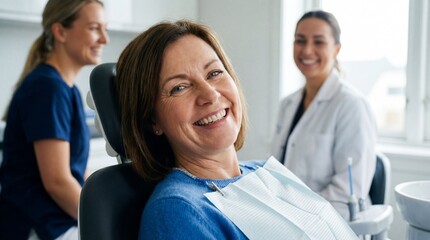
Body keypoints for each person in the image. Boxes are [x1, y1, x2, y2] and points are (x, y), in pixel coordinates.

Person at [115, 20, 359, 240]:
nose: (210, 94)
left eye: (214, 73)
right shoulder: (177, 211)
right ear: (152, 121)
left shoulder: (266, 172)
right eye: (179, 88)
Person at [0, 0, 109, 239]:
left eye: (105, 29)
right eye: (94, 28)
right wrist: (102, 224)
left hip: (55, 221)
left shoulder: (64, 88)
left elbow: (76, 170)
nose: (104, 39)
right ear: (60, 31)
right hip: (37, 226)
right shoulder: (47, 88)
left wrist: (105, 204)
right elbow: (58, 181)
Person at [270, 10, 377, 219]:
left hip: (329, 223)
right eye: (300, 41)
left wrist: (294, 211)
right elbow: (275, 168)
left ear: (336, 49)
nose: (307, 50)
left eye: (318, 42)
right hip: (286, 216)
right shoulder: (287, 104)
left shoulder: (352, 106)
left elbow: (347, 194)